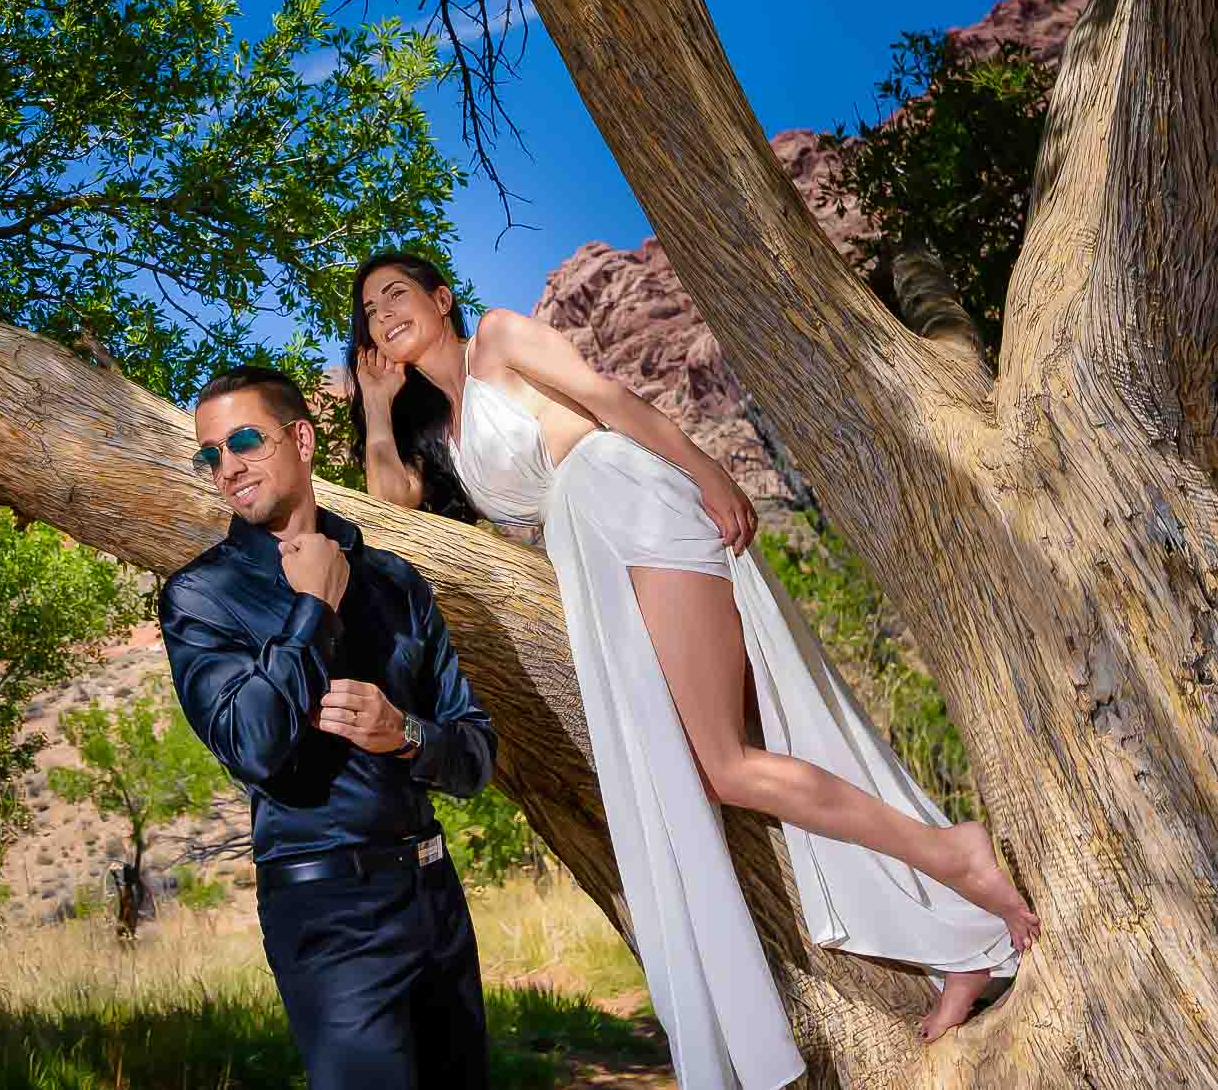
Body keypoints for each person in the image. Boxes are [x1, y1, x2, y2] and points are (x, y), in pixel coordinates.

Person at [346, 250, 1038, 1088]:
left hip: (631, 506)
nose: (385, 314)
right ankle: (959, 936)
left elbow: (608, 400)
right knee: (716, 768)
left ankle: (957, 856)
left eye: (397, 294)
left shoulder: (497, 335)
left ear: (441, 298)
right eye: (371, 310)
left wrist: (708, 473)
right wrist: (379, 412)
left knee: (725, 764)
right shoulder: (441, 431)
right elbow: (392, 513)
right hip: (591, 557)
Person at [161, 364, 498, 1088]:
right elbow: (252, 742)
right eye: (210, 454)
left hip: (437, 900)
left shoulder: (397, 581)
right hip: (329, 916)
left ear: (302, 438)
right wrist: (311, 608)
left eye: (244, 440)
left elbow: (474, 752)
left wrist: (405, 732)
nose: (228, 466)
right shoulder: (201, 596)